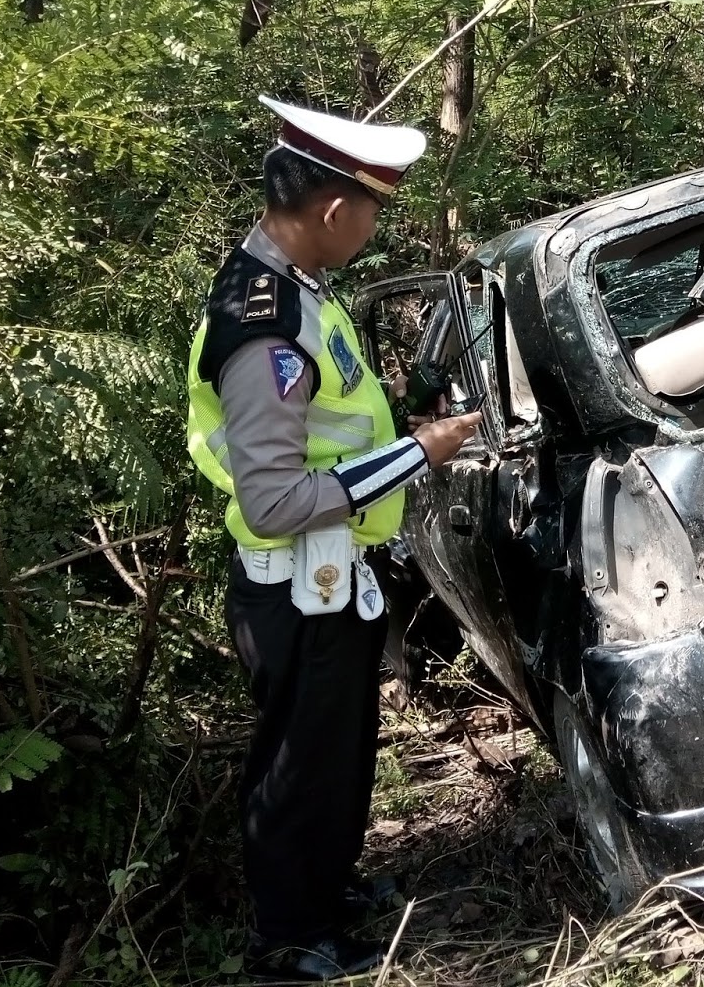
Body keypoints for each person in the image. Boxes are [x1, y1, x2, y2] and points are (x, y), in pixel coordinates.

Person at [184, 97, 483, 979]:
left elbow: (329, 426)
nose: (372, 228)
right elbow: (275, 498)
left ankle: (326, 894)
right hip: (292, 582)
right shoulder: (264, 324)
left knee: (337, 754)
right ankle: (286, 940)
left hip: (332, 577)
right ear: (331, 209)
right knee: (299, 767)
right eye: (374, 211)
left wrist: (404, 430)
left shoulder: (299, 292)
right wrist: (417, 456)